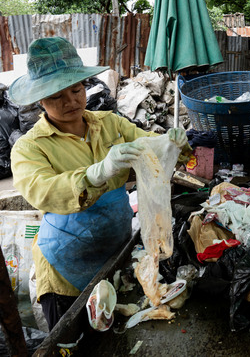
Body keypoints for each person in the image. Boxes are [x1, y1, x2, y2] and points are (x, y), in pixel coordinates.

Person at [9, 37, 188, 330]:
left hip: (114, 255)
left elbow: (151, 147)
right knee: (74, 341)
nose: (70, 101)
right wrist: (94, 174)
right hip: (65, 269)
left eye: (76, 89)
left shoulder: (110, 124)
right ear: (40, 100)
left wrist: (173, 143)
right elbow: (41, 191)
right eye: (56, 96)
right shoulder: (30, 148)